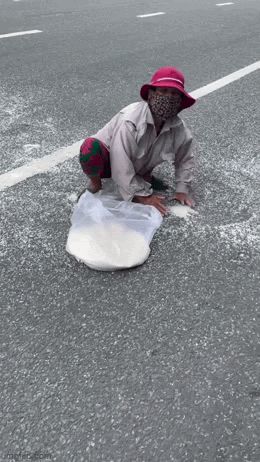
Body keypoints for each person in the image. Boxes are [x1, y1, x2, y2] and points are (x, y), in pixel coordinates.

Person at [79, 66, 196, 216]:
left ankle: (141, 178)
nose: (168, 98)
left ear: (180, 100)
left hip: (139, 165)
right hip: (107, 160)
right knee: (89, 148)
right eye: (163, 91)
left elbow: (185, 158)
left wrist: (182, 189)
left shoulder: (178, 128)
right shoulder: (130, 120)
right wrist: (143, 196)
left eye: (174, 94)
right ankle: (96, 184)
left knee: (143, 168)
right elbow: (120, 161)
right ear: (151, 94)